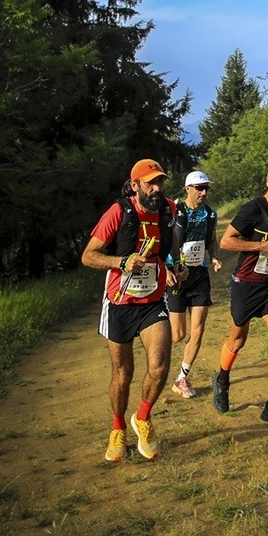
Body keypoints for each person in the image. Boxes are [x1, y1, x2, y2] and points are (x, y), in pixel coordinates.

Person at [80, 158, 175, 462]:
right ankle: (118, 426)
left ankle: (143, 418)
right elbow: (88, 256)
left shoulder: (169, 210)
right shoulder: (119, 211)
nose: (156, 188)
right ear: (135, 185)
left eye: (160, 182)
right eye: (150, 183)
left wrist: (175, 268)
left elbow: (169, 251)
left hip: (152, 302)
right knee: (123, 374)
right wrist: (121, 262)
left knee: (159, 366)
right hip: (120, 302)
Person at [213, 164, 268, 426]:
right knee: (237, 340)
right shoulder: (252, 209)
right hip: (246, 285)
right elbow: (226, 242)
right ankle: (222, 378)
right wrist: (260, 246)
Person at [168, 170, 222, 399]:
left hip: (199, 274)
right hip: (177, 274)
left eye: (206, 188)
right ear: (187, 188)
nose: (203, 192)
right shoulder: (174, 210)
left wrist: (215, 257)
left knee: (198, 330)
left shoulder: (210, 214)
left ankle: (182, 377)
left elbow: (211, 239)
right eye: (199, 188)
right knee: (177, 335)